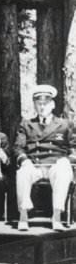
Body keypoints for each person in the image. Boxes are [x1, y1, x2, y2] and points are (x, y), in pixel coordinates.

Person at [13, 85, 76, 231]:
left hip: (56, 164)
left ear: (52, 105)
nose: (42, 107)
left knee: (63, 170)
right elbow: (18, 147)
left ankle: (57, 215)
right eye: (38, 103)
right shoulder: (27, 124)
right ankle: (23, 215)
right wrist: (24, 160)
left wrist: (68, 160)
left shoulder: (65, 124)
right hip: (34, 165)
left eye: (45, 103)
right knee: (22, 171)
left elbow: (74, 147)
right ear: (34, 105)